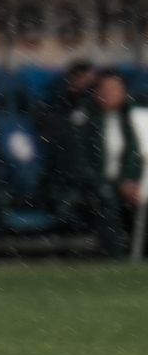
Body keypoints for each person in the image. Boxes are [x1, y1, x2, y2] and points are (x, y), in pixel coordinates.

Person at [48, 69, 142, 258]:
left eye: (116, 89)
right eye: (106, 89)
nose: (111, 94)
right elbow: (78, 167)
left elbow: (134, 157)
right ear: (96, 92)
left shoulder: (130, 120)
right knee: (106, 199)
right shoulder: (80, 121)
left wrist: (130, 182)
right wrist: (116, 186)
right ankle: (116, 259)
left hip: (121, 186)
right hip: (85, 190)